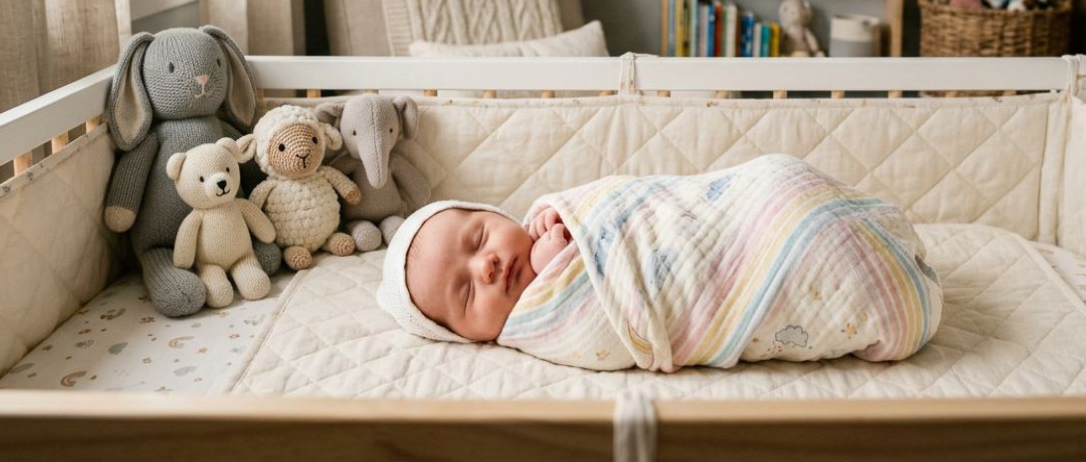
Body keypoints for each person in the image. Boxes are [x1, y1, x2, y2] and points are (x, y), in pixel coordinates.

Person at [378, 155, 943, 371]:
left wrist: (572, 231)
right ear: (467, 337)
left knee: (775, 178)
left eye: (478, 237)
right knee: (826, 258)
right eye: (466, 295)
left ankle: (826, 217)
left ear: (493, 214)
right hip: (751, 278)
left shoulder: (560, 212)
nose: (488, 267)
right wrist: (563, 268)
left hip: (749, 207)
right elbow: (604, 332)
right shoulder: (538, 327)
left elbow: (653, 204)